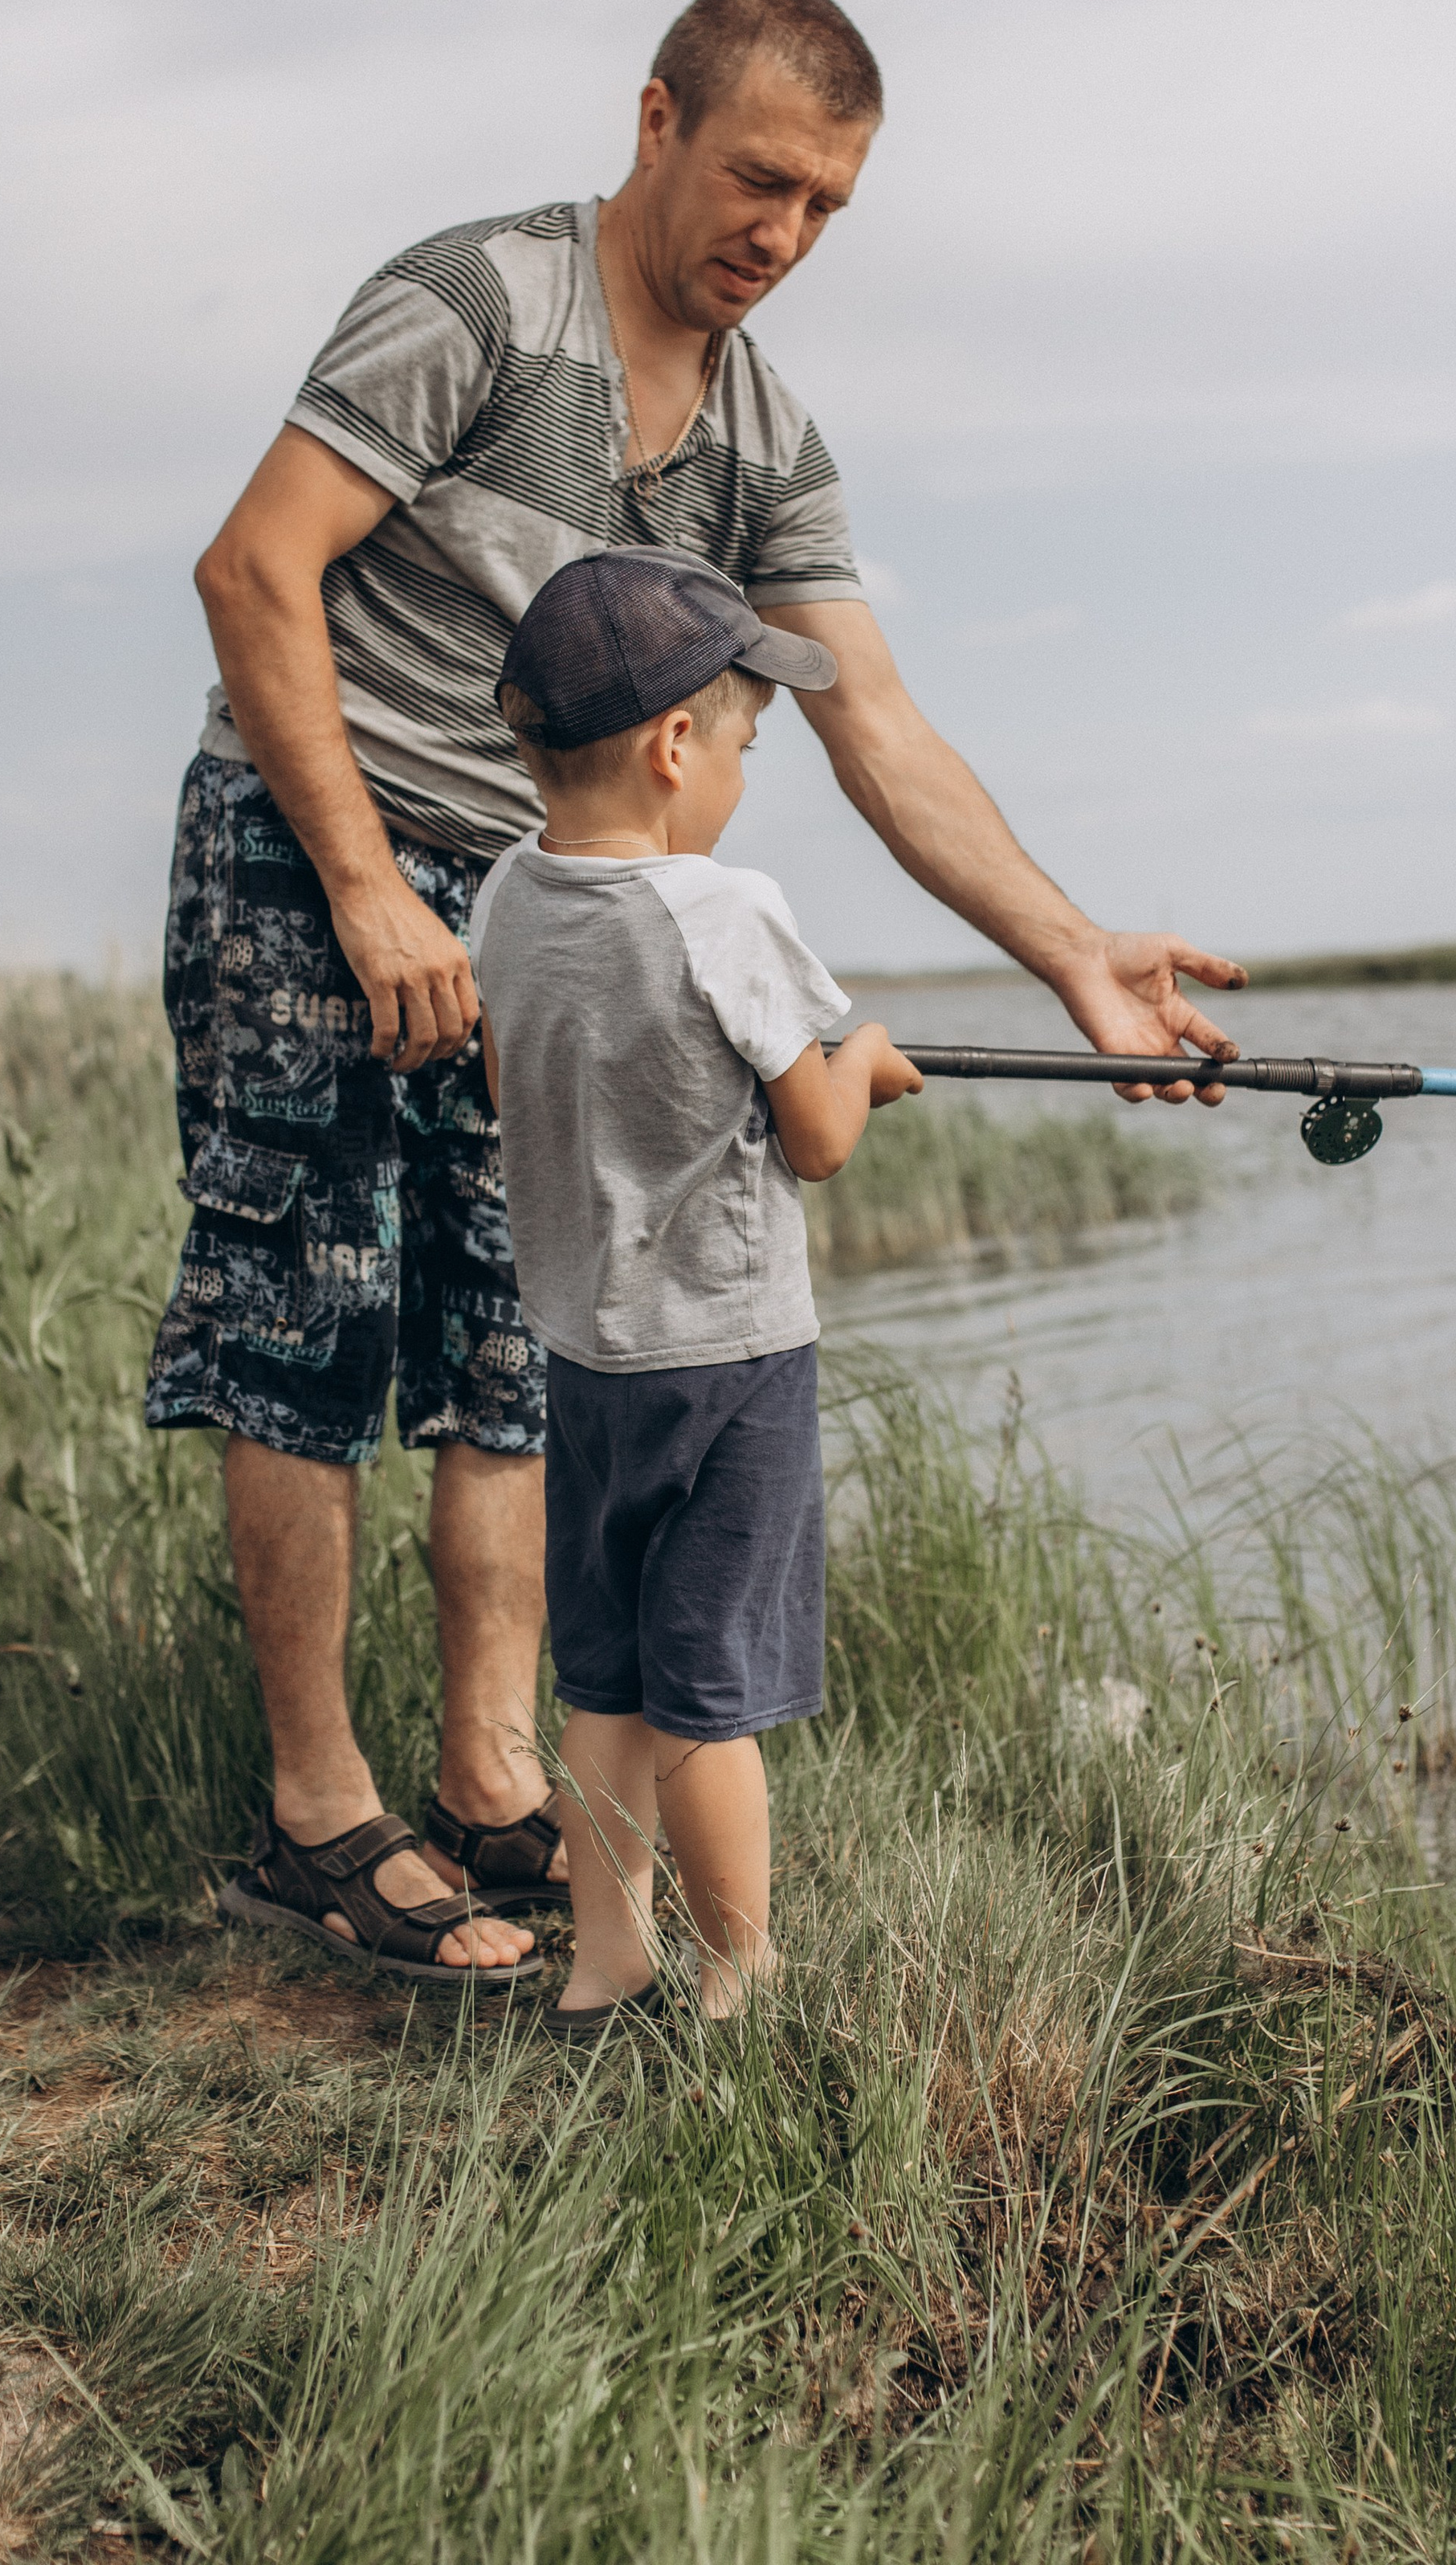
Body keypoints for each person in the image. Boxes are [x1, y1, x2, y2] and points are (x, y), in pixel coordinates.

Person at [150, 0, 1242, 1985]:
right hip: (323, 853)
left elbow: (877, 724)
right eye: (758, 180)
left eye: (827, 207)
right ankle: (316, 1816)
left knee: (515, 1332)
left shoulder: (759, 436)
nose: (782, 236)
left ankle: (491, 1784)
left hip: (546, 899)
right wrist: (370, 884)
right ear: (654, 122)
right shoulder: (478, 303)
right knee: (302, 1319)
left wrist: (1081, 957)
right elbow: (250, 569)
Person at [468, 547, 919, 2024]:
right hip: (730, 1362)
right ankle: (738, 1968)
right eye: (742, 741)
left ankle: (606, 1960)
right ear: (676, 747)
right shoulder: (724, 911)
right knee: (710, 1698)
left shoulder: (503, 900)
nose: (738, 775)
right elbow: (821, 1136)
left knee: (604, 1686)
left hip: (584, 1359)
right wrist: (866, 1058)